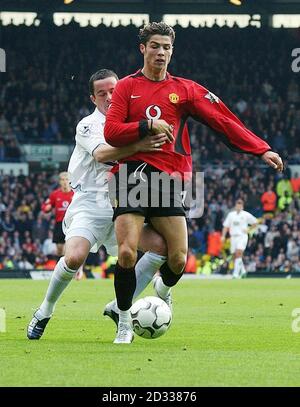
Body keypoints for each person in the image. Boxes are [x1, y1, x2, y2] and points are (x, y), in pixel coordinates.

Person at [104, 21, 284, 344]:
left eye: (167, 47)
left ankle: (161, 290)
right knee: (128, 254)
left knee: (178, 259)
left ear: (172, 51)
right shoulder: (125, 87)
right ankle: (124, 321)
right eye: (155, 46)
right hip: (130, 175)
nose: (161, 52)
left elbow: (222, 119)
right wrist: (147, 125)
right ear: (142, 49)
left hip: (167, 180)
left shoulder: (184, 90)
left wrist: (261, 149)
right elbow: (112, 131)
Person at [27, 69, 169, 340]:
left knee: (161, 248)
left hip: (127, 200)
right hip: (91, 203)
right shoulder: (88, 125)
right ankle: (45, 311)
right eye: (102, 93)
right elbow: (103, 153)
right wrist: (141, 145)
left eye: (114, 91)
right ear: (93, 98)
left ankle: (120, 308)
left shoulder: (136, 121)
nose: (109, 97)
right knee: (74, 257)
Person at [221, 199, 258, 279]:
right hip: (233, 237)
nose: (238, 206)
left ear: (242, 206)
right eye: (237, 205)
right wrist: (223, 236)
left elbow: (255, 222)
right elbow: (226, 226)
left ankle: (236, 274)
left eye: (240, 205)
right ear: (235, 206)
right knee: (235, 256)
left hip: (242, 236)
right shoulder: (231, 215)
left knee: (238, 253)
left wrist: (248, 229)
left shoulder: (245, 215)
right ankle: (243, 271)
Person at [41, 172, 74, 257]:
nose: (65, 182)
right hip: (59, 223)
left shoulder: (75, 194)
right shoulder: (55, 194)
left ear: (70, 181)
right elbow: (45, 206)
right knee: (59, 251)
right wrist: (46, 209)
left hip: (72, 224)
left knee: (69, 249)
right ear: (59, 181)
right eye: (62, 180)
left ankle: (70, 268)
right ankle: (61, 265)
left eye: (67, 179)